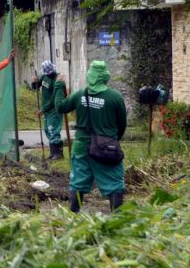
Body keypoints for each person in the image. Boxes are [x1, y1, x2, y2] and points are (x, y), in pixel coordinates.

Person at [55, 60, 127, 213]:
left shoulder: (79, 94)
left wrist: (59, 86)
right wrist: (113, 140)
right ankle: (117, 219)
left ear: (90, 76)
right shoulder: (115, 97)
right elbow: (122, 125)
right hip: (106, 147)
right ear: (106, 76)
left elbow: (61, 107)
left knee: (78, 181)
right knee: (114, 183)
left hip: (81, 146)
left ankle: (73, 216)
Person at [32, 60, 66, 160]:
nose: (49, 74)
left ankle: (58, 153)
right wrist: (34, 82)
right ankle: (52, 152)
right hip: (46, 110)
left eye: (50, 72)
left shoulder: (57, 80)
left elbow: (53, 99)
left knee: (53, 130)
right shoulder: (44, 77)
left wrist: (43, 109)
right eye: (47, 73)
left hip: (54, 109)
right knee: (48, 130)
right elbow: (36, 87)